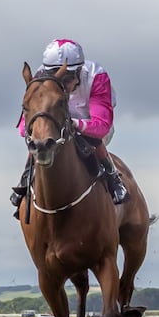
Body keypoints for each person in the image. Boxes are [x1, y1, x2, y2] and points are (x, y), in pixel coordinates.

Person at [11, 38, 128, 217]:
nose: (61, 84)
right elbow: (24, 126)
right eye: (55, 75)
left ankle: (114, 180)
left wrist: (76, 124)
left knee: (92, 139)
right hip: (56, 120)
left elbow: (102, 126)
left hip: (90, 121)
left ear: (79, 71)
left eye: (67, 78)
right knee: (39, 138)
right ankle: (26, 179)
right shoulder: (39, 77)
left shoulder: (96, 76)